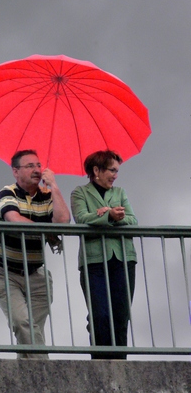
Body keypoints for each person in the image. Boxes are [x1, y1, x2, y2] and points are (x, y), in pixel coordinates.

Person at [0, 149, 70, 359]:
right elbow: (14, 219)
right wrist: (46, 232)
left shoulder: (48, 195)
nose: (36, 170)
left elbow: (63, 222)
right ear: (15, 171)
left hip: (36, 275)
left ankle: (25, 378)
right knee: (22, 324)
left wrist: (54, 187)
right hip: (4, 272)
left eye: (38, 165)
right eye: (30, 166)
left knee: (31, 332)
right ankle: (45, 373)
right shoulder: (8, 192)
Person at [71, 150, 137, 360]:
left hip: (123, 259)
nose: (115, 175)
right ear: (96, 170)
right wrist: (108, 214)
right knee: (99, 315)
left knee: (120, 315)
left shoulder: (120, 192)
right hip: (93, 262)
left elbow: (133, 221)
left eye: (117, 171)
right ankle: (101, 364)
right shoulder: (79, 192)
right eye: (112, 170)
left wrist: (112, 217)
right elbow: (81, 219)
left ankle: (120, 365)